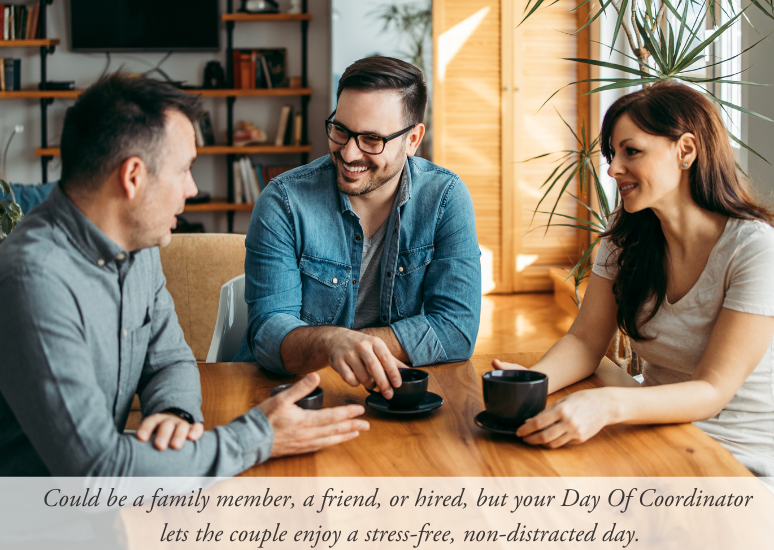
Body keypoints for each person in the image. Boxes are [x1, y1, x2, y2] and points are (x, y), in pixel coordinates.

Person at [0, 73, 368, 476]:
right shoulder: (33, 281)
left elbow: (170, 360)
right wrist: (260, 436)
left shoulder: (135, 242)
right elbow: (99, 470)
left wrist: (173, 413)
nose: (192, 189)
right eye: (184, 170)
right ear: (133, 177)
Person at [495, 82, 774, 489]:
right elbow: (585, 342)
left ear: (685, 150)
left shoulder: (757, 249)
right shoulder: (625, 241)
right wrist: (533, 382)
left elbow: (712, 389)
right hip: (654, 440)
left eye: (631, 151)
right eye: (612, 154)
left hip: (741, 464)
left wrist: (608, 403)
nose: (613, 168)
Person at [233, 56, 481, 400]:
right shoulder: (284, 201)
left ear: (413, 140)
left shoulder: (445, 198)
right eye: (341, 130)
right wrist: (333, 343)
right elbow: (268, 333)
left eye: (372, 139)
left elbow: (456, 329)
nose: (349, 153)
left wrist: (356, 346)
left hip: (393, 393)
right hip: (292, 395)